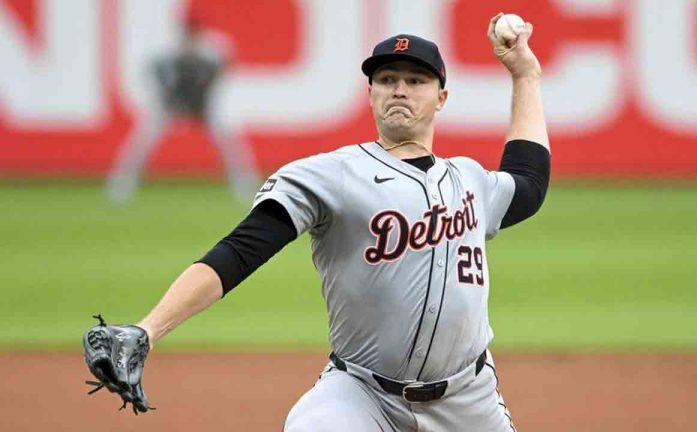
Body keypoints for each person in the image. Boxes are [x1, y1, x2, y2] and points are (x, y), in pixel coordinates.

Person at [103, 13, 549, 430]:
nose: (400, 89)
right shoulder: (331, 175)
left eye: (416, 80)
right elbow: (241, 250)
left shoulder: (471, 180)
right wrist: (150, 327)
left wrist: (525, 74)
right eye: (387, 79)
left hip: (469, 400)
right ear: (370, 92)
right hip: (361, 392)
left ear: (441, 97)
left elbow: (528, 182)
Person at [106, 16, 258, 203]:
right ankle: (121, 185)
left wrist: (208, 97)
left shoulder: (213, 49)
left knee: (229, 140)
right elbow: (152, 71)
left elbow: (225, 68)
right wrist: (165, 97)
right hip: (174, 102)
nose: (190, 37)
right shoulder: (167, 50)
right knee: (143, 140)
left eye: (193, 33)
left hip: (203, 104)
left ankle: (245, 186)